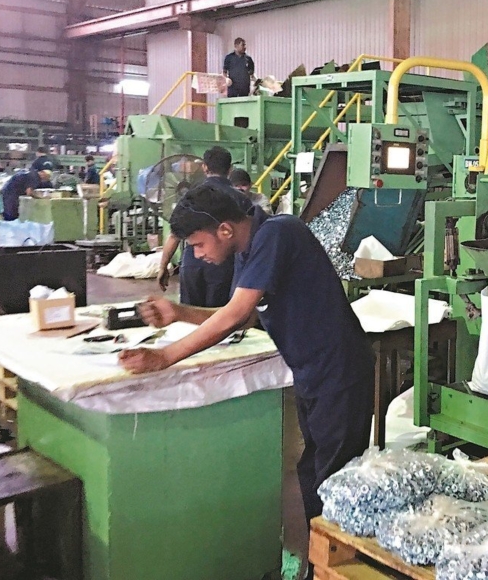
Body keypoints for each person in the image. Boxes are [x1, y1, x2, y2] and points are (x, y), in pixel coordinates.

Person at [119, 185, 374, 553]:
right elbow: (244, 316)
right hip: (311, 373)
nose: (197, 254)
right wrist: (179, 313)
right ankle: (323, 561)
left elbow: (235, 314)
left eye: (198, 244)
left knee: (337, 478)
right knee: (313, 473)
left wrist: (164, 357)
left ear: (224, 229)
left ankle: (345, 564)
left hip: (338, 372)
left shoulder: (278, 232)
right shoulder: (246, 247)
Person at [157, 146, 249, 306]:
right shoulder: (240, 198)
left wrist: (163, 266)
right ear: (230, 169)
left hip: (191, 267)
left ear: (204, 167)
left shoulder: (191, 196)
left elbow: (174, 235)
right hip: (224, 268)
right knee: (217, 318)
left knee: (189, 314)